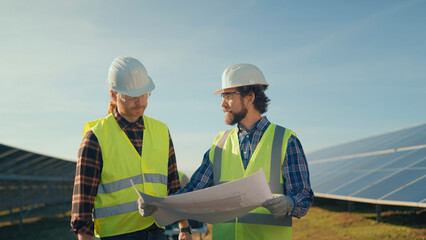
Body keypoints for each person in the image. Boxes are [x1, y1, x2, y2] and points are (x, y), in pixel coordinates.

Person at [139, 63, 314, 239]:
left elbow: (304, 195)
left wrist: (290, 203)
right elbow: (194, 189)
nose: (222, 104)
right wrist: (159, 205)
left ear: (249, 97)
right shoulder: (220, 143)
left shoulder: (285, 140)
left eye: (228, 96)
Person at [71, 56, 192, 240]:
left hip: (156, 231)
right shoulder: (96, 136)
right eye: (133, 96)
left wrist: (184, 226)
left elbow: (174, 185)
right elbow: (83, 201)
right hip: (116, 235)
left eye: (144, 94)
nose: (141, 102)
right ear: (113, 95)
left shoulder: (161, 131)